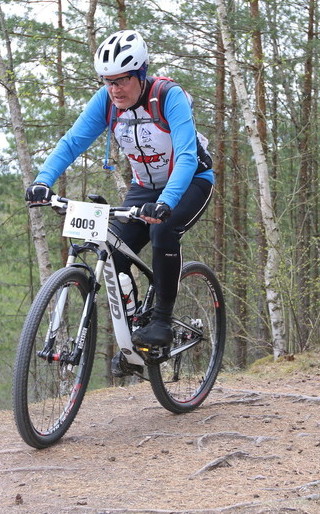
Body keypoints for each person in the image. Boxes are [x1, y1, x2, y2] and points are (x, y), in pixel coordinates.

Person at [24, 29, 215, 364]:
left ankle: (161, 320)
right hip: (144, 186)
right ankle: (134, 338)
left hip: (190, 181)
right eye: (107, 81)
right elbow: (72, 142)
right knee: (113, 247)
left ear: (141, 75)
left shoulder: (168, 97)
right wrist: (43, 181)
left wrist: (167, 202)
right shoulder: (107, 102)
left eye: (122, 80)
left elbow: (185, 156)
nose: (114, 89)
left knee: (162, 230)